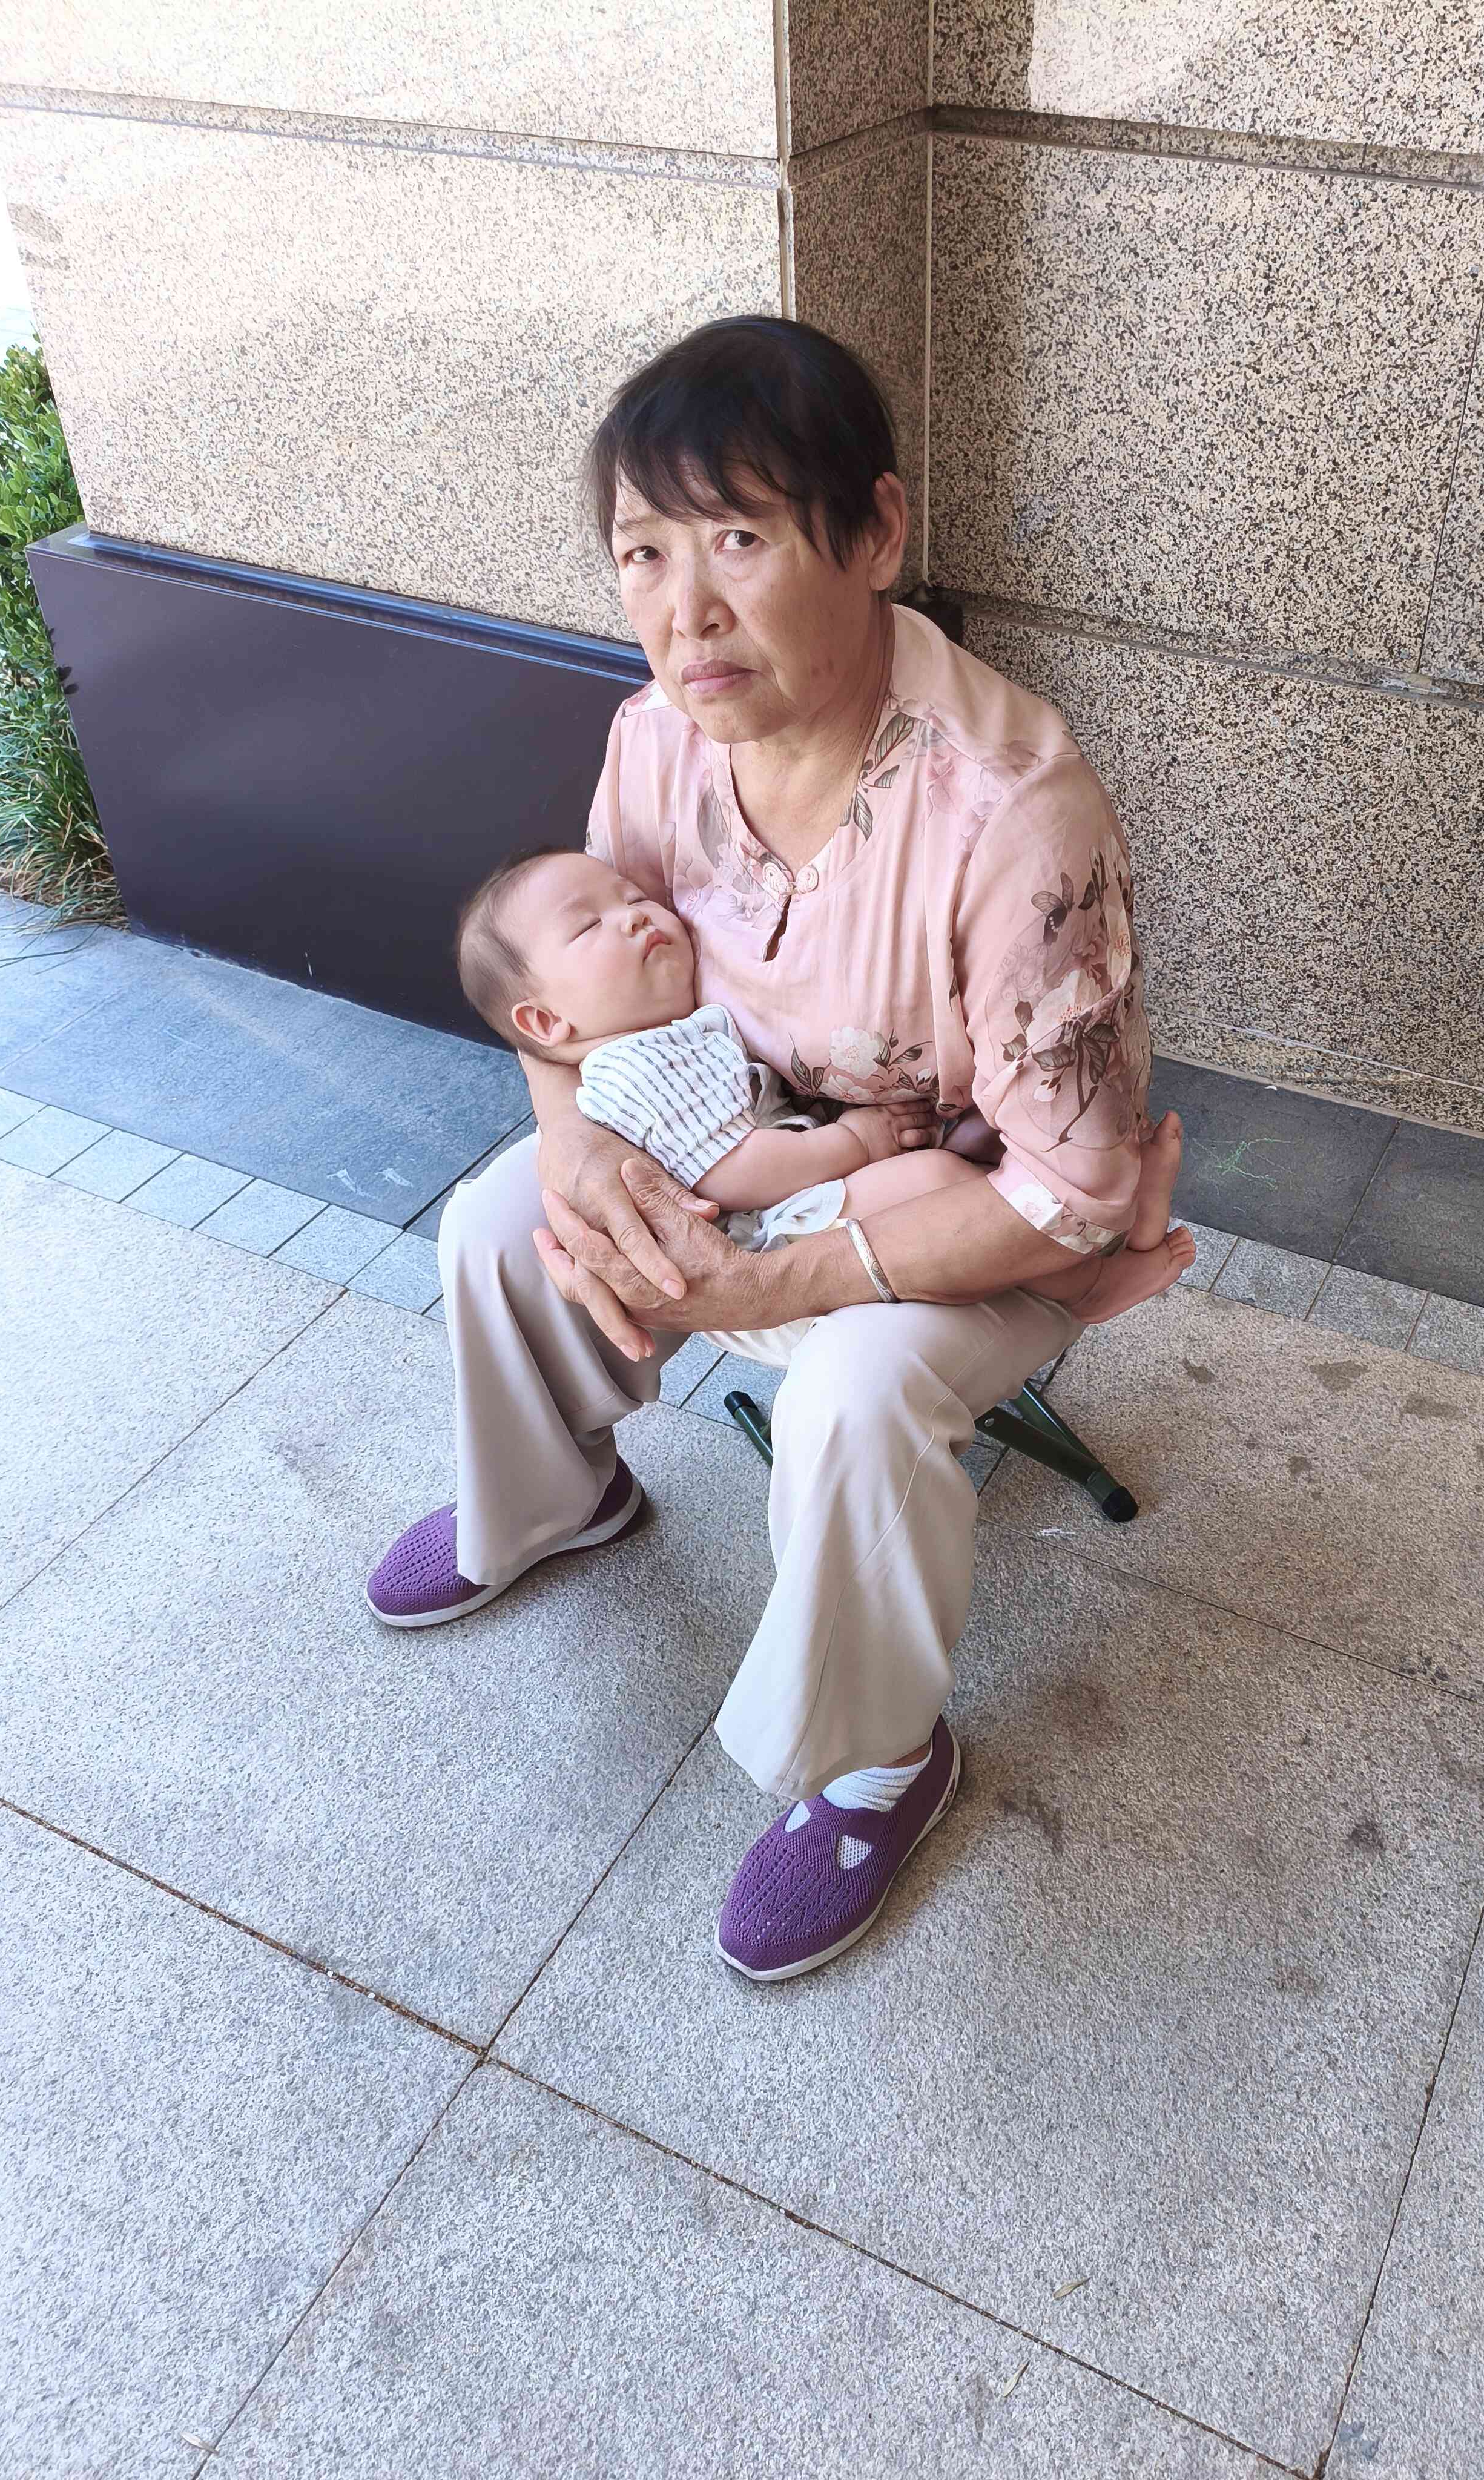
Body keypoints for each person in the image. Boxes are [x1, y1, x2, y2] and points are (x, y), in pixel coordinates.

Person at [366, 315, 1194, 1982]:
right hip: (739, 1142)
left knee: (853, 1394)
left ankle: (880, 1759)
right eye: (644, 553)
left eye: (738, 539)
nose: (684, 610)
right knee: (501, 1219)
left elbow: (1067, 1191)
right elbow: (565, 1002)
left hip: (977, 1211)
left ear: (874, 532)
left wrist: (760, 1284)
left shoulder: (1013, 814)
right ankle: (550, 1498)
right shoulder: (660, 737)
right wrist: (577, 1152)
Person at [447, 844, 1189, 1366]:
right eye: (589, 927)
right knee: (937, 1184)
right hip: (759, 1240)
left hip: (795, 1196)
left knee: (959, 1156)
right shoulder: (636, 1064)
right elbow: (734, 1172)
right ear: (547, 1023)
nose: (636, 916)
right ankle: (1091, 1285)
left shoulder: (670, 1032)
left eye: (634, 897)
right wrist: (855, 1144)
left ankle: (1102, 1219)